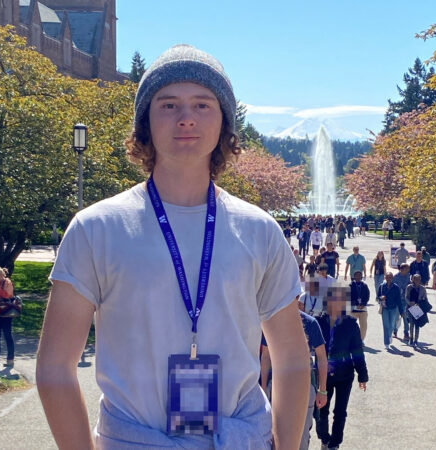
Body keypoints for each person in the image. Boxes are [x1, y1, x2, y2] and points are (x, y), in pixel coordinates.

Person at [36, 45, 310, 449]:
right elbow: (55, 367)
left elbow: (291, 359)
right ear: (145, 121)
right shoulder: (97, 228)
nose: (185, 118)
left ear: (224, 123)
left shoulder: (259, 230)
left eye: (202, 104)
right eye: (168, 105)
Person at [260, 307, 328, 450]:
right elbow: (265, 357)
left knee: (301, 436)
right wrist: (264, 388)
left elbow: (322, 357)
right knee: (274, 433)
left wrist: (322, 390)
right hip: (276, 386)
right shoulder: (270, 322)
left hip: (303, 386)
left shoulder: (310, 323)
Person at [316, 286, 368, 449]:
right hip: (323, 373)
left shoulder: (351, 324)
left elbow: (357, 351)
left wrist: (362, 375)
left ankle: (334, 443)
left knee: (340, 412)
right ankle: (324, 438)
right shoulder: (318, 322)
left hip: (345, 374)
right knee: (320, 411)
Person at [377, 272, 404, 350]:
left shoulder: (396, 287)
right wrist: (380, 298)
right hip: (384, 308)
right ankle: (386, 342)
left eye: (390, 277)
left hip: (393, 308)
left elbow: (399, 300)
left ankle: (389, 335)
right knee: (386, 325)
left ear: (392, 278)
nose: (388, 279)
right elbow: (378, 296)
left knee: (392, 325)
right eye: (387, 277)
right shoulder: (381, 286)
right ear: (385, 277)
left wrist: (401, 311)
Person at [404, 274, 428, 347]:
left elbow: (425, 298)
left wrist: (421, 301)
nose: (417, 280)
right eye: (415, 279)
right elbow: (406, 297)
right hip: (411, 308)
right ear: (412, 279)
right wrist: (410, 303)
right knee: (411, 324)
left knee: (417, 324)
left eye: (418, 279)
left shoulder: (422, 288)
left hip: (418, 308)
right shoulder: (409, 287)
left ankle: (416, 340)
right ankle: (411, 339)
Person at [349, 270, 370, 342]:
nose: (358, 277)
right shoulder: (350, 285)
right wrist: (355, 304)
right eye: (356, 275)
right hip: (353, 310)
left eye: (359, 275)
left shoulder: (364, 285)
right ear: (354, 277)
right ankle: (352, 340)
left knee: (363, 326)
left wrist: (363, 304)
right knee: (351, 326)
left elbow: (367, 296)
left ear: (361, 276)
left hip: (363, 309)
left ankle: (361, 340)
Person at [392, 263, 411, 340]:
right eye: (407, 268)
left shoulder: (408, 276)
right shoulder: (395, 277)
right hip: (397, 300)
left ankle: (406, 333)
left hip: (405, 300)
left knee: (406, 317)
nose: (408, 270)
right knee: (396, 317)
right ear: (402, 269)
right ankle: (395, 331)